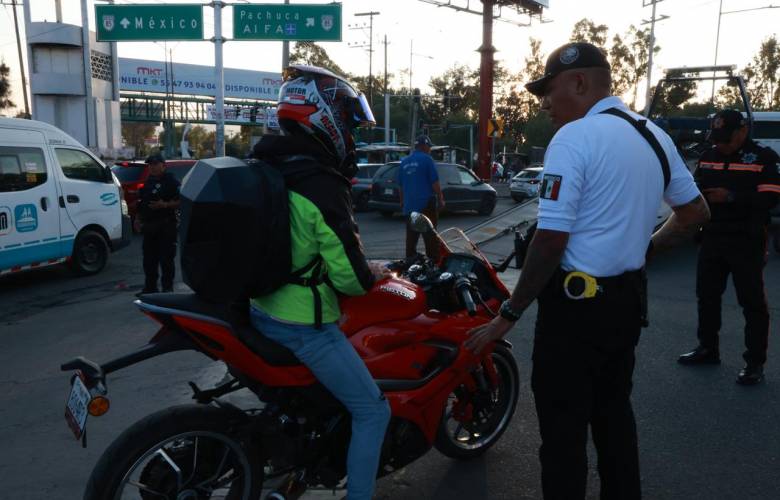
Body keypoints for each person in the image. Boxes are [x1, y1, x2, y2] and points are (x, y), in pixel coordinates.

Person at [464, 42, 710, 499]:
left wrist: (509, 314)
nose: (544, 104)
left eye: (548, 91)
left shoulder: (574, 138)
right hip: (624, 304)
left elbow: (551, 239)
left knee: (563, 435)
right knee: (615, 417)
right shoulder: (654, 135)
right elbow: (695, 212)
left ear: (578, 83)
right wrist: (645, 248)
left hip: (574, 315)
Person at [248, 65, 391, 500]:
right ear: (323, 115)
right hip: (302, 325)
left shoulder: (266, 163)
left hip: (260, 307)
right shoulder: (321, 185)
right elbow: (349, 278)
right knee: (372, 411)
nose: (351, 132)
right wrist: (374, 274)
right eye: (348, 121)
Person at [678, 109, 780, 384]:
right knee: (707, 297)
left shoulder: (763, 158)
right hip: (712, 237)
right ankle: (707, 349)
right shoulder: (709, 156)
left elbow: (771, 198)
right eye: (717, 137)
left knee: (752, 303)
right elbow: (695, 188)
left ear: (743, 131)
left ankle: (754, 364)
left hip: (746, 240)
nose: (721, 144)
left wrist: (732, 197)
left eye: (726, 138)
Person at [135, 153, 180, 294]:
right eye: (150, 164)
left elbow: (182, 201)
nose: (152, 167)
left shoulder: (171, 181)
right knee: (149, 260)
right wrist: (138, 219)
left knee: (166, 260)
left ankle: (167, 289)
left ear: (163, 165)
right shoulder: (149, 181)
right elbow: (142, 202)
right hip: (149, 227)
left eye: (155, 164)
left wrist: (165, 205)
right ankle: (150, 288)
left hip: (166, 226)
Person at [397, 135, 446, 260]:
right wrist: (441, 199)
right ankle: (434, 264)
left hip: (409, 207)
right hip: (426, 205)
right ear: (424, 146)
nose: (430, 149)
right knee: (431, 239)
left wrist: (402, 201)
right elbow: (434, 182)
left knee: (411, 239)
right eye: (429, 146)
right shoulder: (427, 160)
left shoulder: (404, 162)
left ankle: (410, 262)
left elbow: (401, 186)